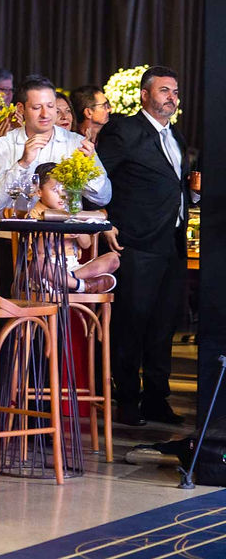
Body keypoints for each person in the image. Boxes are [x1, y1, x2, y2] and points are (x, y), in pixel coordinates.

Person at [96, 66, 190, 426]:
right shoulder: (124, 130)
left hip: (172, 242)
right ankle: (127, 399)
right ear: (144, 95)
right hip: (136, 242)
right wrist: (105, 221)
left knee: (164, 325)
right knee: (131, 323)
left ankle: (156, 398)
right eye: (164, 90)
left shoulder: (175, 135)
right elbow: (98, 179)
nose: (172, 97)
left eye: (175, 91)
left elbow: (175, 184)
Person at [0, 74, 111, 212]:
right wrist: (22, 163)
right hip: (16, 225)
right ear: (21, 108)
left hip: (64, 224)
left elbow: (104, 198)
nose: (45, 114)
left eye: (50, 106)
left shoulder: (75, 143)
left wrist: (88, 167)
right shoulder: (4, 145)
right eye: (37, 107)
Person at [28, 162, 119, 293]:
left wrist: (78, 232)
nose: (61, 194)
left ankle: (66, 280)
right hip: (47, 270)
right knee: (38, 264)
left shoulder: (70, 213)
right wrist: (57, 231)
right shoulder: (33, 215)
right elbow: (38, 251)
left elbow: (86, 244)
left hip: (73, 268)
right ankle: (82, 286)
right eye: (55, 190)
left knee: (113, 259)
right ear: (39, 191)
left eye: (65, 189)